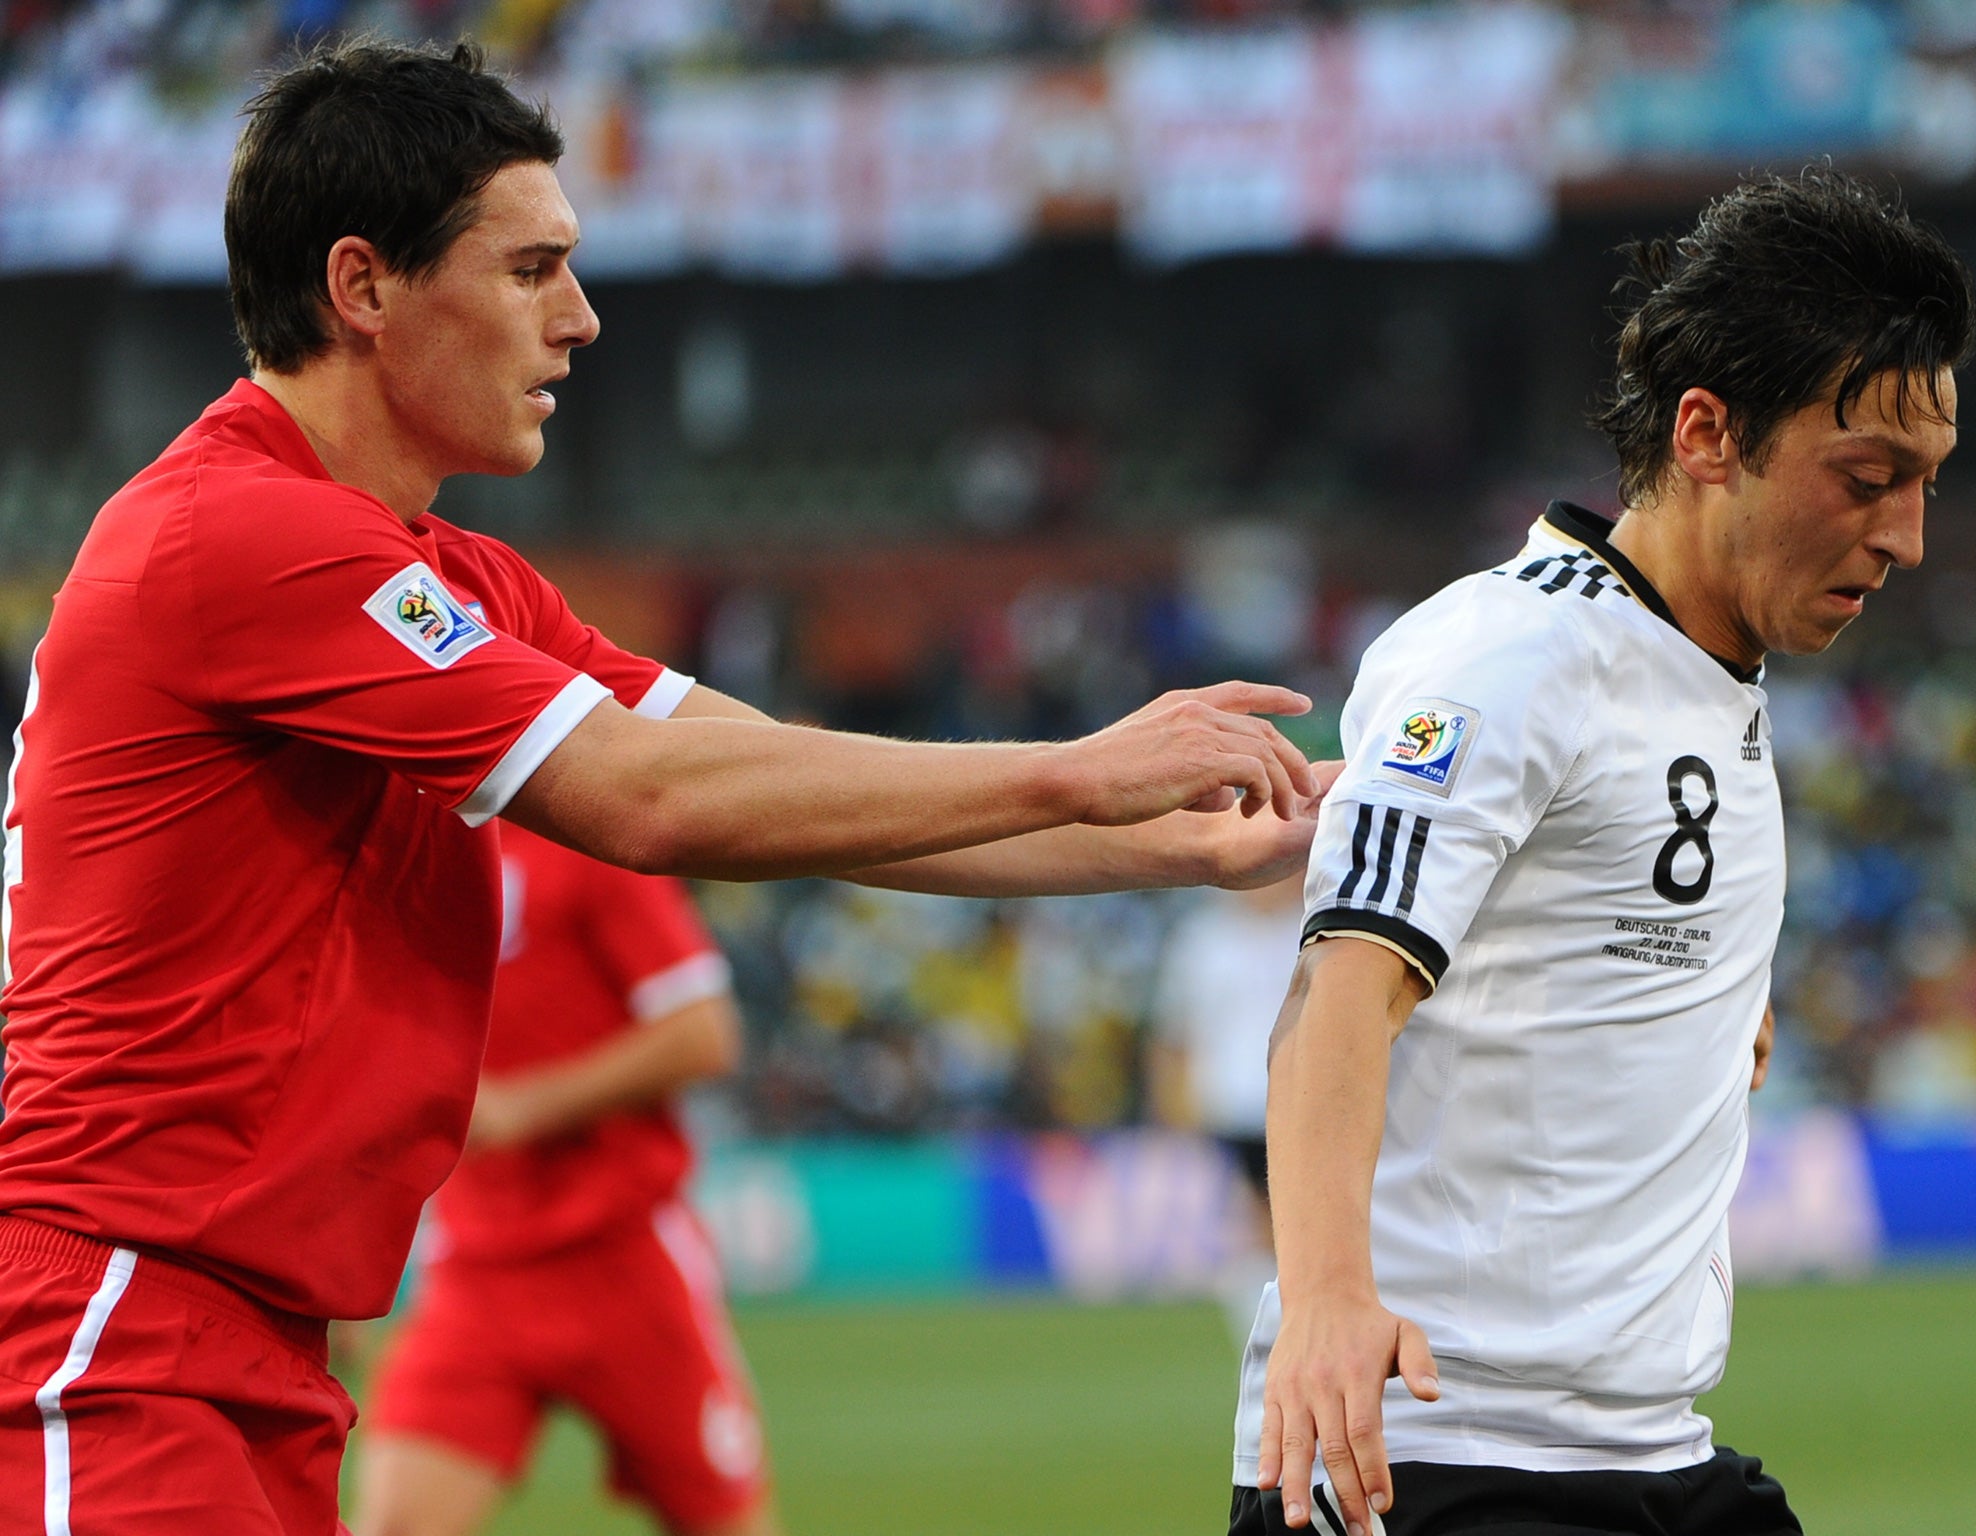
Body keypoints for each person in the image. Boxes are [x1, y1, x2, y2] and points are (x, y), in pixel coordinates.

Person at [0, 39, 1323, 1536]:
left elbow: (773, 782)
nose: (580, 318)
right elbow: (655, 800)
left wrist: (1195, 836)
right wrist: (1079, 770)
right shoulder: (239, 533)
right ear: (362, 287)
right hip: (118, 1335)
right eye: (531, 269)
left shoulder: (453, 579)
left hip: (242, 1347)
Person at [1231, 168, 1976, 1536]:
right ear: (1709, 432)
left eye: (1926, 484)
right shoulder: (1510, 657)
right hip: (1446, 1461)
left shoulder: (1709, 677)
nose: (1907, 535)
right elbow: (1338, 989)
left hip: (1649, 1458)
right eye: (1867, 479)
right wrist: (1327, 1297)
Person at [356, 824, 776, 1536]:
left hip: (621, 1253)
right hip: (477, 1266)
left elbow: (705, 1032)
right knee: (394, 1525)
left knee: (721, 1524)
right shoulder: (405, 848)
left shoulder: (591, 840)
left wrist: (529, 1105)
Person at [1149, 873, 1304, 1334]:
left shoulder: (1308, 927)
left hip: (1298, 1097)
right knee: (1264, 1220)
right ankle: (1269, 1329)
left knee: (1283, 1220)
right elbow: (1175, 1032)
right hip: (1231, 1102)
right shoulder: (1203, 940)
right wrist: (1171, 1107)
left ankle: (1281, 1326)